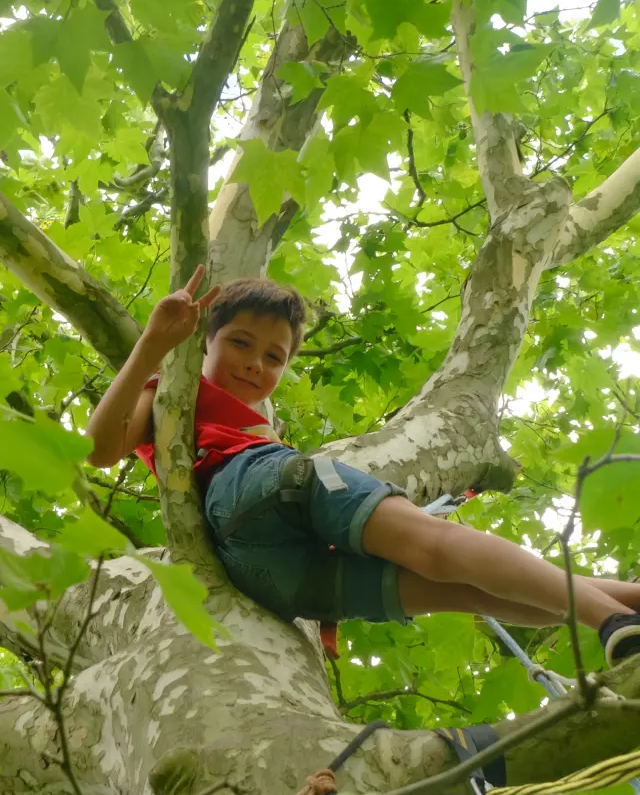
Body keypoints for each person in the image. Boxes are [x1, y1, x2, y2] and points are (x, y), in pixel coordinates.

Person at [86, 266, 640, 667]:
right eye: (239, 343)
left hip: (274, 582)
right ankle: (613, 621)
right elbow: (99, 449)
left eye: (275, 357)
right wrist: (154, 345)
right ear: (204, 341)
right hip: (265, 485)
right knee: (435, 545)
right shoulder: (175, 391)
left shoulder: (250, 420)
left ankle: (623, 604)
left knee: (468, 591)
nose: (256, 364)